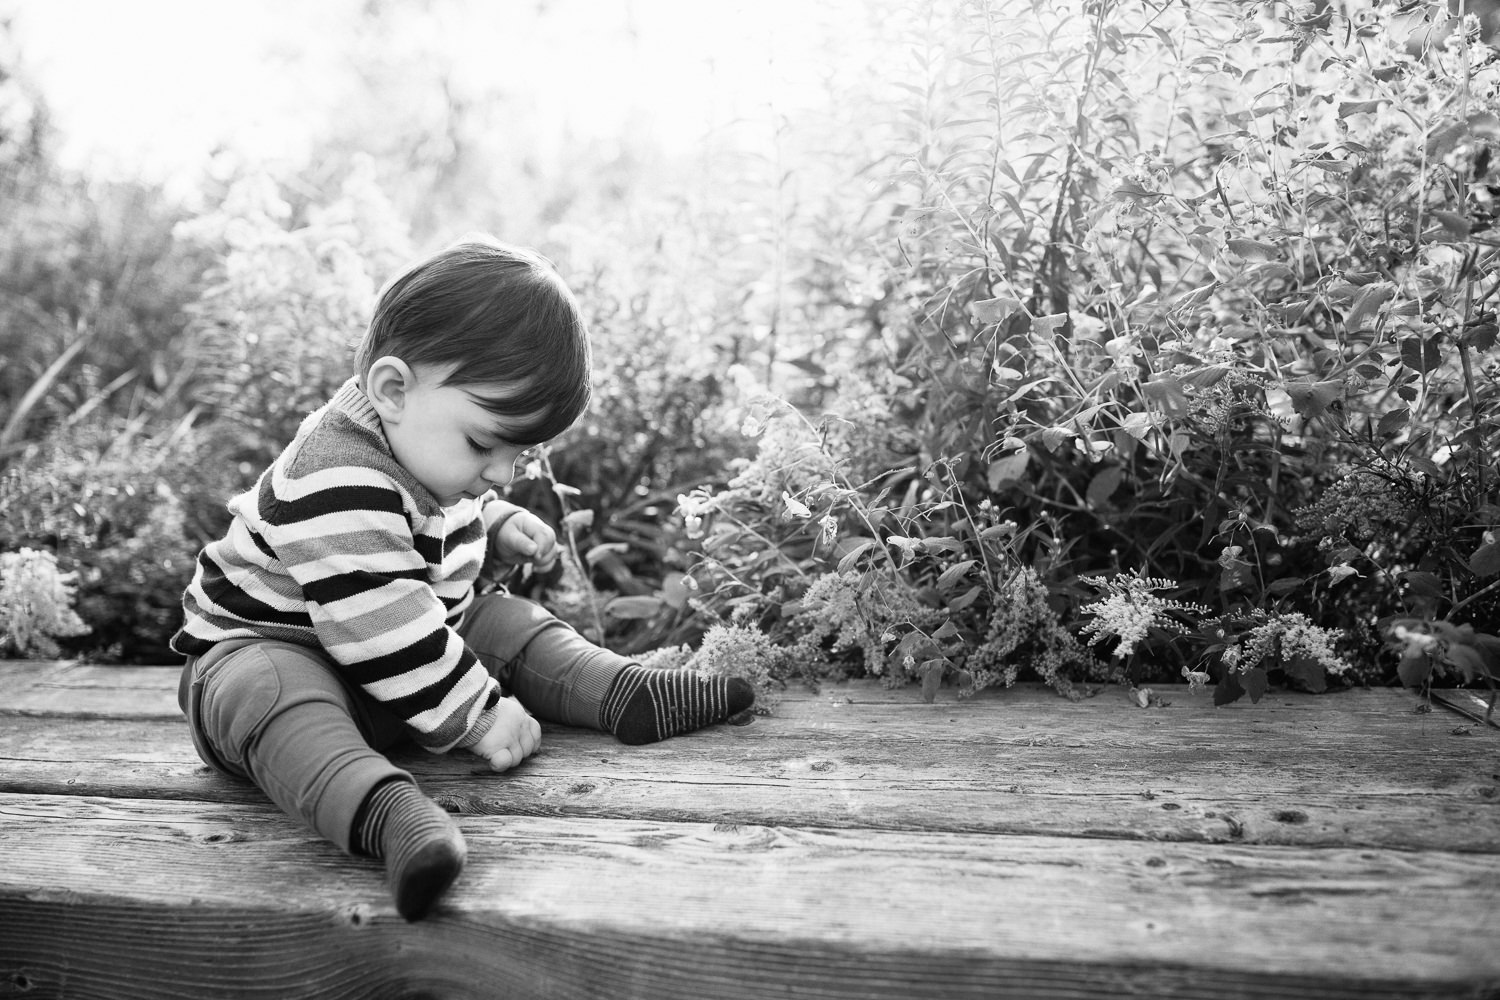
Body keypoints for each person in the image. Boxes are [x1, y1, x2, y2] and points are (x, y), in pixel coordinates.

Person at [171, 237, 753, 921]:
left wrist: (496, 520)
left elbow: (428, 527)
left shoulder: (411, 436)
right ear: (392, 390)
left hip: (394, 664)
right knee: (270, 690)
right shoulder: (336, 477)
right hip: (280, 654)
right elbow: (383, 619)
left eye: (521, 454)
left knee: (500, 622)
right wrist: (478, 716)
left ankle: (620, 691)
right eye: (486, 445)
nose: (503, 471)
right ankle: (387, 814)